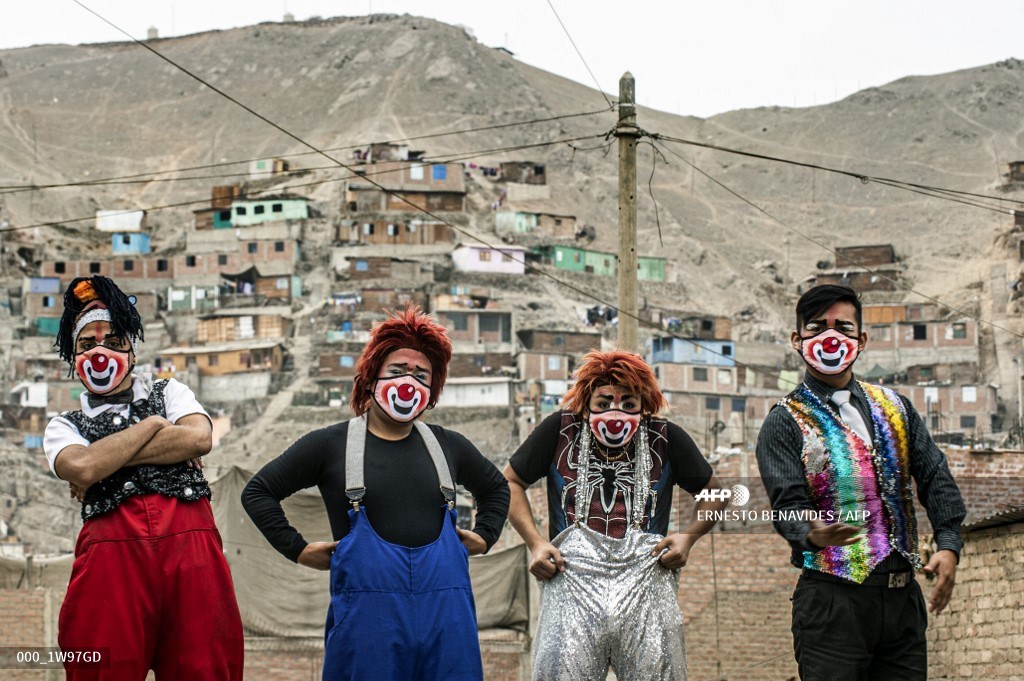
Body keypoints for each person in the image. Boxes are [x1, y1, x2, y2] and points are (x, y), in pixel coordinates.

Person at [241, 306, 510, 681]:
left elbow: (496, 488)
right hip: (369, 630)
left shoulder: (449, 446)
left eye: (421, 375)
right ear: (371, 379)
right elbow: (258, 492)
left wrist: (485, 536)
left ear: (432, 390)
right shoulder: (329, 445)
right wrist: (297, 549)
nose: (409, 382)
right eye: (398, 371)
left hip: (448, 624)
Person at [756, 284, 966, 681]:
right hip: (833, 604)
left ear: (862, 340)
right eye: (817, 327)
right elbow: (787, 505)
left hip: (902, 602)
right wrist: (812, 532)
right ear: (797, 340)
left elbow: (936, 476)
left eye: (843, 327)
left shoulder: (897, 407)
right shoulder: (784, 421)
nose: (830, 337)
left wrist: (949, 545)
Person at [42, 275, 243, 680]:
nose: (100, 352)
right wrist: (154, 426)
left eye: (114, 341)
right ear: (74, 358)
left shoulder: (170, 392)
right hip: (110, 573)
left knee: (206, 669)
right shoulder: (63, 426)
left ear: (132, 352)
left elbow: (198, 438)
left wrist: (106, 457)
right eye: (87, 344)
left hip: (193, 562)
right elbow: (82, 468)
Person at [504, 349, 727, 680]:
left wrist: (688, 538)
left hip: (647, 589)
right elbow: (510, 482)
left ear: (644, 405)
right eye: (604, 402)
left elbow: (717, 493)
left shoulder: (664, 438)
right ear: (586, 403)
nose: (615, 413)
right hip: (570, 583)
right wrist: (535, 543)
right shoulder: (560, 431)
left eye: (628, 404)